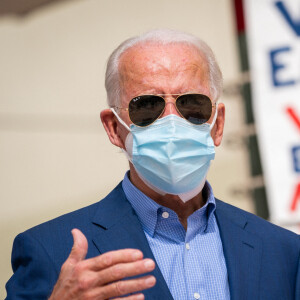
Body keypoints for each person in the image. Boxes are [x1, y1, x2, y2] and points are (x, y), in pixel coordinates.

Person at [5, 29, 300, 300]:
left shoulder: (282, 252)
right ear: (113, 128)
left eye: (192, 104)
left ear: (218, 124)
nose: (171, 120)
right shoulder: (52, 252)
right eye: (147, 106)